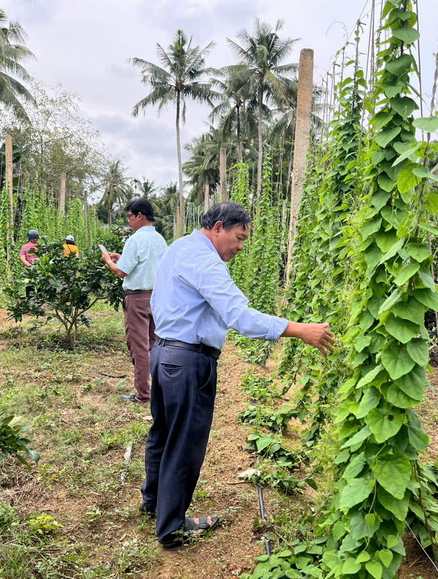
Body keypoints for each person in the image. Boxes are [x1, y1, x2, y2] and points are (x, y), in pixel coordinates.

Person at [142, 201, 335, 549]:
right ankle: (171, 528)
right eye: (239, 237)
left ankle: (153, 503)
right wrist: (299, 329)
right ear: (218, 227)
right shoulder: (207, 262)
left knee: (163, 433)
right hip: (188, 362)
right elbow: (241, 318)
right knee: (183, 445)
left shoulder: (178, 248)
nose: (241, 247)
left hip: (164, 353)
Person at [102, 198, 167, 403]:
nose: (129, 221)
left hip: (137, 299)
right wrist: (122, 257)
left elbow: (122, 272)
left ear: (139, 215)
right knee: (154, 344)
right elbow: (144, 265)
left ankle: (143, 394)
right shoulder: (159, 239)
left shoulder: (136, 239)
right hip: (157, 298)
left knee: (138, 346)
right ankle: (159, 389)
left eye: (129, 216)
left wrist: (109, 262)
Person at [19, 229, 39, 298]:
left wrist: (29, 266)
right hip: (38, 268)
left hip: (28, 270)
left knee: (29, 286)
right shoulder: (40, 246)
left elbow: (22, 258)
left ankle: (30, 301)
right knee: (40, 285)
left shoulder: (24, 247)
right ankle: (40, 300)